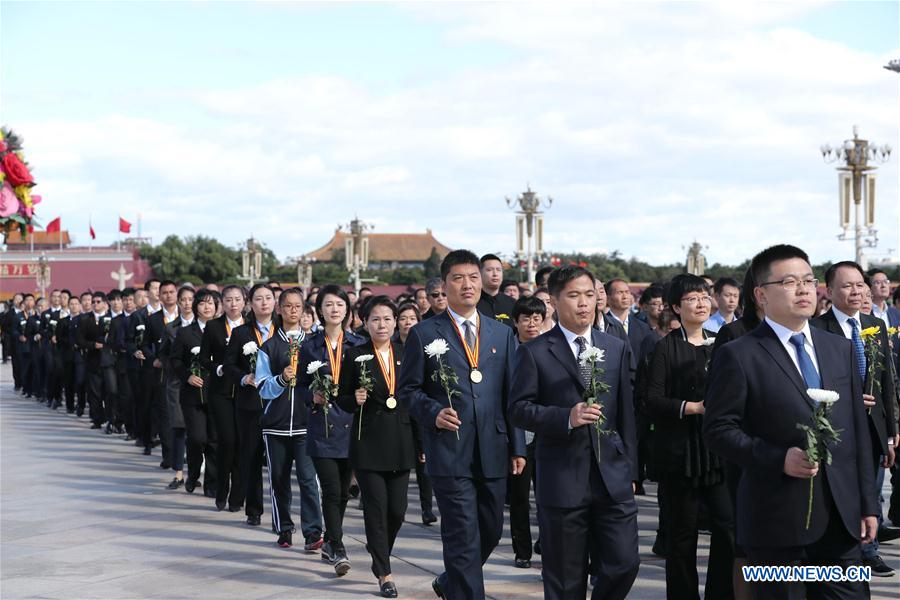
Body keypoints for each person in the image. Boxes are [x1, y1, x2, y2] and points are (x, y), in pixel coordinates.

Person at [703, 244, 878, 600]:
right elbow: (718, 430)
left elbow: (858, 432)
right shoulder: (738, 354)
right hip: (776, 522)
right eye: (789, 281)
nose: (803, 289)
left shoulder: (838, 348)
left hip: (841, 521)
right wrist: (778, 458)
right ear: (761, 295)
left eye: (808, 280)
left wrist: (867, 504)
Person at [398, 249, 526, 600]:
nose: (467, 285)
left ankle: (451, 582)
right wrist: (432, 411)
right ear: (445, 284)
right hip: (448, 449)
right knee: (462, 533)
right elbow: (407, 391)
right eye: (458, 278)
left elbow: (510, 395)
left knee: (490, 530)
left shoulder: (502, 334)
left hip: (493, 447)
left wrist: (517, 446)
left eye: (473, 278)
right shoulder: (425, 334)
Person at [508, 265, 639, 600]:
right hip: (563, 478)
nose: (584, 303)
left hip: (612, 476)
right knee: (565, 579)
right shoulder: (535, 351)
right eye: (573, 295)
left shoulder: (616, 346)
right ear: (554, 301)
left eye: (590, 294)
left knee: (625, 563)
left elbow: (626, 413)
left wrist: (631, 469)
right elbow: (518, 409)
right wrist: (565, 416)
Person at [645, 274, 734, 599]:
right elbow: (652, 401)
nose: (701, 303)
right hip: (680, 454)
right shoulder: (665, 348)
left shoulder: (720, 343)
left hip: (716, 453)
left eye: (704, 296)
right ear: (674, 307)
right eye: (692, 298)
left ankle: (720, 594)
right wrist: (692, 408)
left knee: (727, 528)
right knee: (682, 536)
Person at [810, 261, 896, 577]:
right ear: (829, 292)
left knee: (871, 488)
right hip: (835, 427)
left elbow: (888, 383)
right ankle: (841, 549)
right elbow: (811, 383)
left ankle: (869, 551)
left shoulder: (876, 325)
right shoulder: (817, 329)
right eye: (847, 285)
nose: (856, 291)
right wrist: (846, 399)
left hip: (873, 426)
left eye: (860, 284)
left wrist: (891, 432)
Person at [336, 296, 417, 598]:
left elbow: (416, 398)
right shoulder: (355, 355)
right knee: (376, 509)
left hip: (401, 440)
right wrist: (352, 399)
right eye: (375, 319)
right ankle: (384, 572)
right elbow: (340, 398)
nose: (381, 324)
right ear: (364, 323)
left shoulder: (407, 353)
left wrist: (422, 444)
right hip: (368, 442)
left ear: (395, 322)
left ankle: (378, 551)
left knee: (397, 510)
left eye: (387, 319)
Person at [297, 284, 365, 575]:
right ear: (319, 310)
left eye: (339, 304)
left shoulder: (358, 344)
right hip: (321, 424)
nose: (334, 309)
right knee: (331, 488)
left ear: (347, 310)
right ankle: (337, 546)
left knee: (341, 493)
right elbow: (298, 384)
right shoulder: (310, 345)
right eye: (328, 305)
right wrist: (310, 397)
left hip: (351, 425)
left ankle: (330, 541)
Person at [256, 287, 326, 548]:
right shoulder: (269, 347)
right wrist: (282, 379)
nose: (293, 310)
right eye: (288, 306)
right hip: (275, 425)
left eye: (298, 306)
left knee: (309, 480)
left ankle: (313, 532)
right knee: (279, 479)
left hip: (307, 424)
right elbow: (263, 387)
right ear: (280, 309)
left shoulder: (315, 345)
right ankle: (284, 527)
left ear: (304, 310)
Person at [223, 284, 290, 529]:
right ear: (250, 304)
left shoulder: (284, 332)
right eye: (258, 299)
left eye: (268, 298)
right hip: (250, 405)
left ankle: (281, 513)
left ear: (276, 303)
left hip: (280, 404)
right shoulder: (241, 333)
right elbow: (228, 365)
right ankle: (253, 509)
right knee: (250, 457)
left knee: (279, 463)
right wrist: (244, 378)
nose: (264, 303)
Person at [507, 294, 546, 569]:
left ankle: (547, 541)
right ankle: (522, 550)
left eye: (536, 319)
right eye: (525, 319)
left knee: (547, 496)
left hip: (546, 436)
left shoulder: (551, 350)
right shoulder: (508, 353)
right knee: (519, 498)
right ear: (516, 322)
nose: (531, 324)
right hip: (519, 436)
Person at [200, 284, 246, 511]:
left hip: (247, 393)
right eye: (228, 300)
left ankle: (238, 495)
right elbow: (203, 359)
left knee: (241, 444)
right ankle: (221, 488)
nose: (233, 304)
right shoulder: (213, 327)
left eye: (237, 299)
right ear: (222, 303)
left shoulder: (250, 327)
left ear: (244, 302)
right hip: (221, 392)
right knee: (226, 440)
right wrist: (219, 368)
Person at [395, 302, 437, 526]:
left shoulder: (424, 345)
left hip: (418, 410)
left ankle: (426, 508)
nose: (407, 322)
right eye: (403, 318)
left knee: (423, 460)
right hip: (396, 411)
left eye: (412, 318)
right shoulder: (390, 347)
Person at [140, 280, 177, 463]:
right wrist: (152, 359)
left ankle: (181, 453)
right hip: (163, 371)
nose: (168, 295)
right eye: (165, 292)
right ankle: (168, 455)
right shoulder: (153, 319)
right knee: (166, 414)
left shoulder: (187, 317)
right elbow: (145, 344)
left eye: (172, 292)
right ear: (159, 296)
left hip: (186, 371)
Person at [76, 292, 116, 431]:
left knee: (111, 391)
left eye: (98, 302)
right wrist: (93, 345)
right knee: (94, 392)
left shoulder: (112, 319)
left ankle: (112, 419)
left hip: (110, 361)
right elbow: (80, 340)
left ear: (105, 303)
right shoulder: (86, 320)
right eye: (93, 302)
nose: (95, 304)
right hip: (93, 360)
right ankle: (97, 419)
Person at [606, 278, 652, 359]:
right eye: (619, 292)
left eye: (627, 292)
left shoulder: (643, 327)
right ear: (608, 298)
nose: (625, 296)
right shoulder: (602, 325)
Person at [476, 253, 515, 325]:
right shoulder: (473, 303)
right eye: (489, 270)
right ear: (480, 273)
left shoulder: (513, 303)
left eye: (498, 270)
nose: (495, 274)